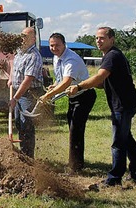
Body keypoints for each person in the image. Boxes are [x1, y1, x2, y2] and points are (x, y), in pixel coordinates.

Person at [68, 27, 136, 186]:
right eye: (96, 38)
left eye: (102, 38)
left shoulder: (112, 55)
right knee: (126, 138)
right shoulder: (109, 56)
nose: (98, 41)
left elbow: (100, 76)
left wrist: (80, 87)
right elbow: (102, 83)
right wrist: (86, 83)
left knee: (118, 142)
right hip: (125, 104)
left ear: (112, 39)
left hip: (123, 105)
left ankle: (114, 178)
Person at [40, 33, 96, 171]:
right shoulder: (56, 57)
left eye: (57, 45)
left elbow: (66, 83)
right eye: (51, 45)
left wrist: (48, 96)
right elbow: (61, 79)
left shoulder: (71, 60)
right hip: (73, 97)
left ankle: (75, 167)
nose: (54, 48)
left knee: (75, 129)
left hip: (84, 96)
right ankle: (75, 162)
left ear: (64, 44)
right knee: (73, 127)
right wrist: (54, 85)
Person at [8, 27, 45, 158]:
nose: (22, 39)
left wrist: (15, 98)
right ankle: (23, 153)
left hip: (29, 94)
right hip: (19, 92)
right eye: (21, 36)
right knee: (19, 123)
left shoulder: (34, 56)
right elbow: (13, 63)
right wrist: (11, 77)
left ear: (33, 39)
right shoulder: (20, 52)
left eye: (25, 36)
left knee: (26, 125)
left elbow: (28, 80)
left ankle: (29, 157)